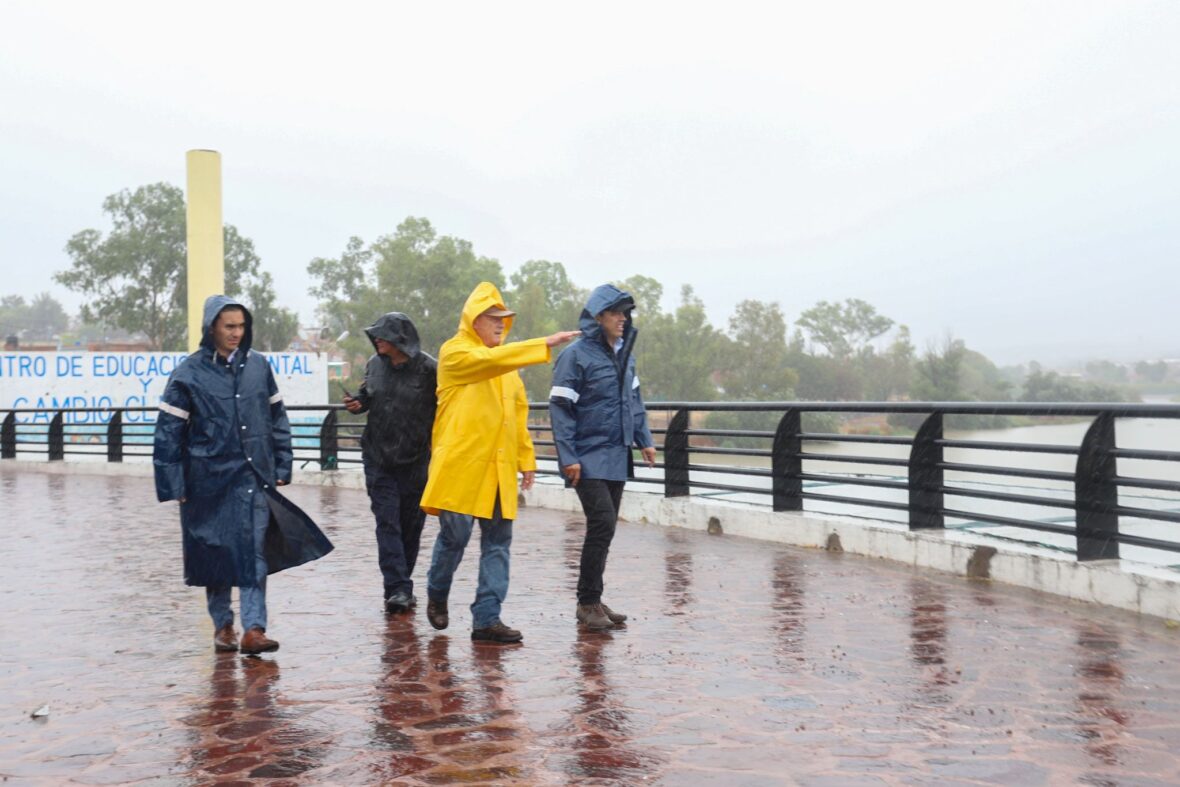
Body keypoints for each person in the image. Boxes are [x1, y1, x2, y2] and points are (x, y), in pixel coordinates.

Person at [153, 295, 334, 654]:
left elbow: (277, 417)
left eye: (241, 326)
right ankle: (223, 625)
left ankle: (254, 629)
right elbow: (168, 432)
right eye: (229, 326)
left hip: (253, 475)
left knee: (253, 551)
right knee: (216, 552)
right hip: (206, 479)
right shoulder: (188, 374)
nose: (236, 333)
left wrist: (282, 463)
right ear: (212, 328)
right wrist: (174, 484)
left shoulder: (258, 367)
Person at [420, 281, 579, 643]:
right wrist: (544, 343)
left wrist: (527, 459)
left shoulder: (508, 367)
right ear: (473, 320)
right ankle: (437, 591)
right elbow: (486, 362)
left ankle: (487, 619)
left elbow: (516, 416)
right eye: (492, 317)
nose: (499, 324)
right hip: (461, 465)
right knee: (455, 536)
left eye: (503, 319)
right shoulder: (455, 353)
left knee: (497, 542)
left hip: (497, 467)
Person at [549, 284, 656, 630]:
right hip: (586, 454)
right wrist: (568, 456)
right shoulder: (575, 355)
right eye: (616, 313)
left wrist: (645, 439)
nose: (623, 319)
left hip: (616, 454)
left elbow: (634, 403)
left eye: (626, 313)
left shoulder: (626, 355)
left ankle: (594, 598)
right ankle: (587, 602)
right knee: (602, 523)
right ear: (598, 317)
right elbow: (561, 407)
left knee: (605, 530)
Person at [343, 312, 437, 614]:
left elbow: (446, 409)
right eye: (376, 336)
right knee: (387, 523)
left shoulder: (430, 370)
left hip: (416, 460)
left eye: (383, 335)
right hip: (378, 458)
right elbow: (366, 397)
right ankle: (397, 588)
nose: (377, 340)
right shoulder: (374, 365)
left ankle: (400, 583)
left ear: (401, 338)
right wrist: (358, 403)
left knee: (411, 526)